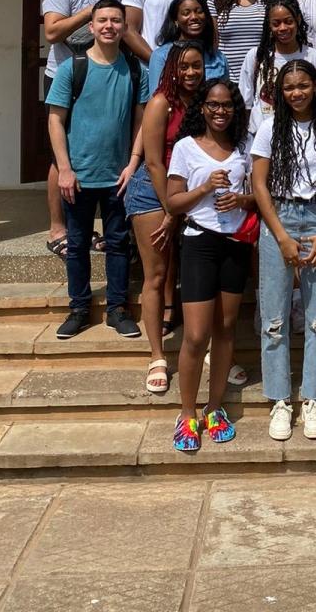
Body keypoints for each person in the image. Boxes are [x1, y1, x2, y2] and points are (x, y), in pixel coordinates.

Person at [252, 61, 316, 441]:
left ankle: (312, 398)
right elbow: (258, 185)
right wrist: (279, 235)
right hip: (279, 215)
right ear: (281, 91)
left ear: (315, 87)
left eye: (303, 85)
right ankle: (279, 399)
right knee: (274, 316)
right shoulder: (268, 128)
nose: (297, 93)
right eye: (289, 87)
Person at [160, 79, 256, 452]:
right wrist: (204, 189)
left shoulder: (244, 147)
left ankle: (215, 408)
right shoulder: (185, 147)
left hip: (234, 244)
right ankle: (187, 414)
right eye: (213, 105)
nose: (220, 111)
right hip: (199, 243)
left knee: (227, 328)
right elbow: (173, 203)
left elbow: (257, 195)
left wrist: (241, 200)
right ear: (202, 107)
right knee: (197, 335)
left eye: (227, 105)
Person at [47, 0, 149, 341]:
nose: (109, 26)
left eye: (116, 20)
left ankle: (117, 309)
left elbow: (140, 122)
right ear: (91, 27)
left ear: (124, 27)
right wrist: (64, 169)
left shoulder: (135, 71)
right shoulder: (71, 68)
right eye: (102, 20)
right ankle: (78, 309)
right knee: (77, 244)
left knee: (119, 243)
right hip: (78, 175)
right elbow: (55, 121)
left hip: (119, 176)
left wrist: (133, 164)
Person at [125, 43, 204, 393]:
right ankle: (158, 355)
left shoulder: (201, 103)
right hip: (153, 191)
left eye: (197, 66)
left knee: (196, 275)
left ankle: (200, 345)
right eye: (184, 67)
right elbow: (155, 162)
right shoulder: (160, 103)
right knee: (156, 276)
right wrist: (172, 209)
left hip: (188, 192)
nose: (190, 73)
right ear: (172, 68)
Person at [42, 0, 123, 258]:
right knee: (59, 155)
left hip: (100, 81)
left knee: (94, 148)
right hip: (65, 79)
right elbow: (51, 31)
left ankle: (94, 226)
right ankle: (57, 227)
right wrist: (88, 13)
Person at [238, 0, 316, 140]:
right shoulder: (256, 56)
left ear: (298, 19)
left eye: (288, 21)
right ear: (269, 25)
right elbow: (245, 104)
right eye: (276, 23)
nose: (283, 28)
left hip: (302, 137)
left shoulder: (312, 56)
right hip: (260, 137)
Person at [148, 0, 229, 94]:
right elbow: (156, 97)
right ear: (175, 20)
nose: (194, 17)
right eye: (186, 13)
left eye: (199, 11)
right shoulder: (161, 56)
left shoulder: (218, 57)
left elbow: (225, 96)